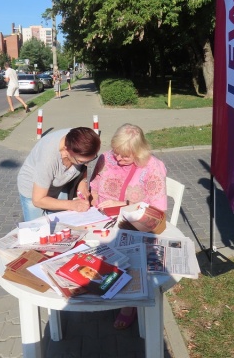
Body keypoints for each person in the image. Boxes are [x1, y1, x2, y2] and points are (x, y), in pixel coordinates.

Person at [90, 123, 167, 330]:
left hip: (132, 225)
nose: (118, 159)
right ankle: (105, 288)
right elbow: (94, 186)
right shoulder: (107, 157)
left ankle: (128, 305)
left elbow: (157, 209)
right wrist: (92, 201)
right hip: (100, 219)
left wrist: (124, 204)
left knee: (128, 256)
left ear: (139, 152)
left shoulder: (153, 167)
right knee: (87, 252)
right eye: (116, 152)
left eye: (125, 156)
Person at [17, 127, 101, 221]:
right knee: (37, 228)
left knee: (62, 225)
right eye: (81, 161)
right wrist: (72, 204)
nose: (87, 164)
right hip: (34, 191)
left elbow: (84, 164)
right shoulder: (48, 158)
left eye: (92, 159)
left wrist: (83, 182)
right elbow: (38, 200)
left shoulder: (80, 139)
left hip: (60, 185)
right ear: (65, 150)